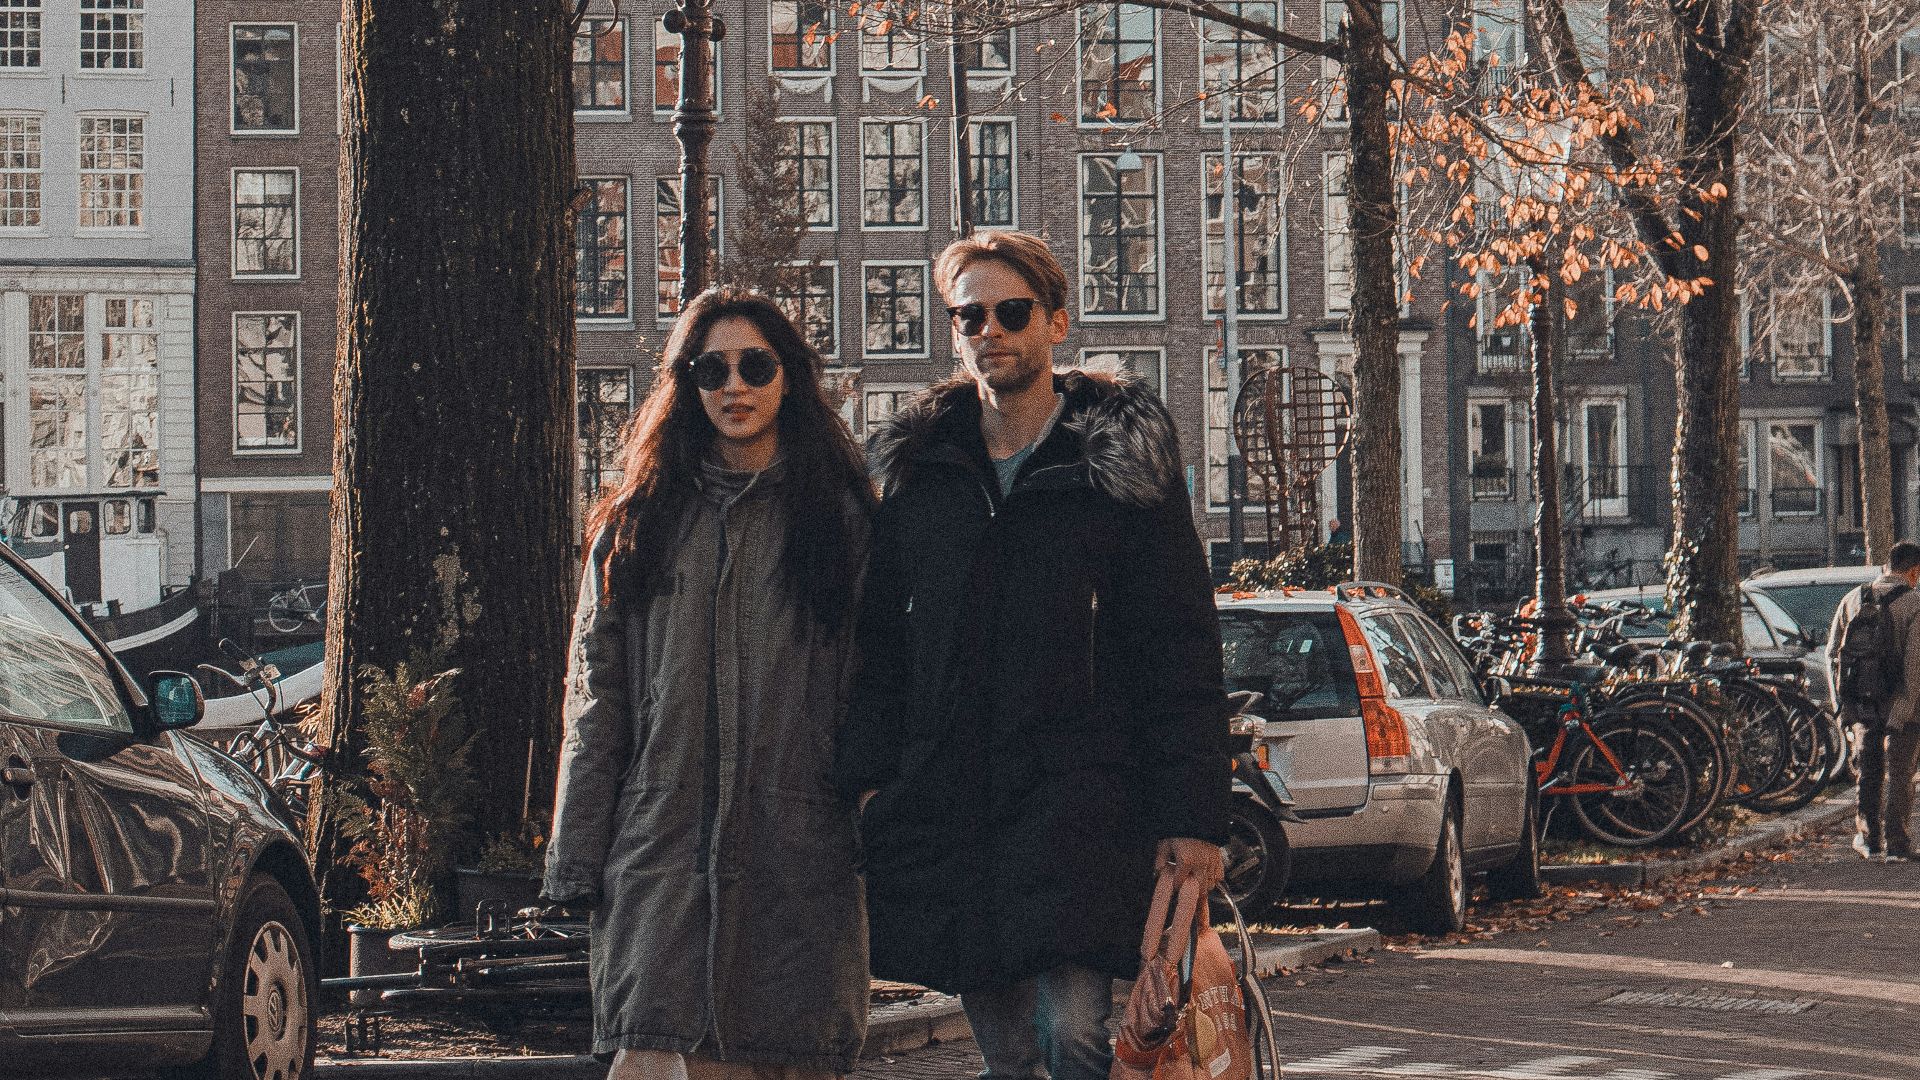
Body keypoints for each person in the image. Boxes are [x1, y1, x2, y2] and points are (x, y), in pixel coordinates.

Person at [832, 230, 1230, 1080]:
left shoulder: (1120, 471)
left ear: (1056, 323)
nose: (990, 330)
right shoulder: (922, 472)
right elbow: (881, 643)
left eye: (1011, 312)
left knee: (1076, 1034)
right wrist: (871, 782)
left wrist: (1193, 817)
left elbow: (1180, 648)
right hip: (955, 803)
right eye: (969, 315)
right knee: (1010, 1052)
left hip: (1080, 805)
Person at [543, 287, 876, 1078]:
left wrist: (872, 828)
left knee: (781, 1052)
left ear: (789, 377)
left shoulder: (843, 524)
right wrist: (579, 855)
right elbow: (598, 702)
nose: (735, 386)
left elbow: (875, 693)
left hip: (796, 856)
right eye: (711, 369)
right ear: (685, 385)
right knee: (652, 1056)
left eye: (755, 365)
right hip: (661, 853)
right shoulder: (636, 527)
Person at [1827, 539, 1920, 863]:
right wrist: (1905, 710)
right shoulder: (1914, 603)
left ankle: (1869, 840)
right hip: (1901, 705)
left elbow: (1832, 654)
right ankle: (1897, 844)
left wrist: (1842, 705)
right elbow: (1914, 663)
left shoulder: (1854, 598)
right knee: (1899, 772)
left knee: (1868, 770)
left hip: (1863, 702)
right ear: (1914, 571)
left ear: (1887, 565)